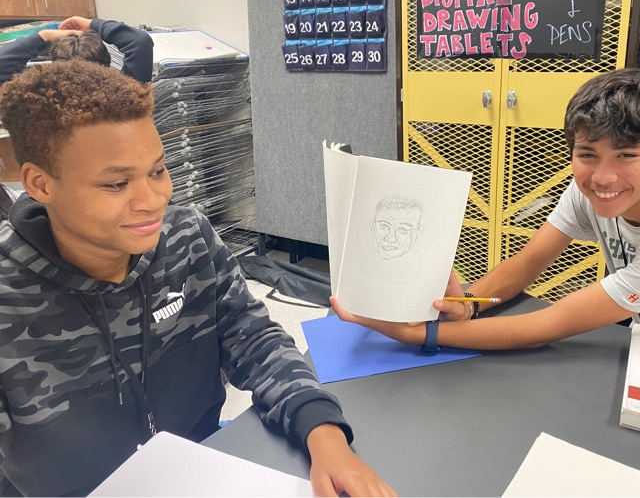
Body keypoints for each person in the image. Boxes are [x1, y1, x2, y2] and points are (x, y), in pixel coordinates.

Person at [0, 60, 395, 497]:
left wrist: (326, 438)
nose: (152, 200)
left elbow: (254, 340)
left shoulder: (187, 236)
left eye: (156, 171)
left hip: (204, 469)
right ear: (40, 184)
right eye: (116, 185)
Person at [332, 68, 640, 349]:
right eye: (587, 154)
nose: (602, 177)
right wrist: (471, 303)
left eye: (625, 156)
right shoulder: (591, 191)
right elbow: (530, 260)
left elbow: (554, 322)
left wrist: (425, 333)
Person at [0, 15, 153, 85]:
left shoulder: (40, 106)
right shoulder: (127, 96)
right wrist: (93, 24)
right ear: (106, 63)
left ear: (55, 68)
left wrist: (43, 36)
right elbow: (140, 42)